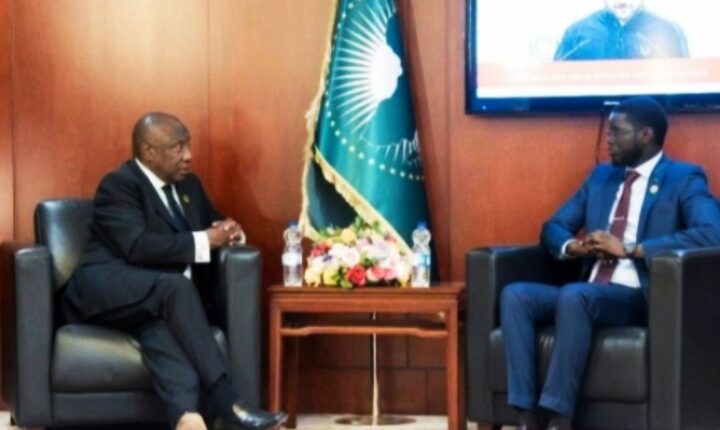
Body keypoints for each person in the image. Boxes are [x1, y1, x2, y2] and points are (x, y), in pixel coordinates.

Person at [499, 97, 720, 430]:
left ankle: (559, 419)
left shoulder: (683, 178)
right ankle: (526, 417)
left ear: (646, 134)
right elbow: (553, 226)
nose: (609, 139)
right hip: (589, 290)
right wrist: (576, 247)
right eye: (608, 132)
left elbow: (712, 233)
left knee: (575, 296)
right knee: (516, 295)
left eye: (617, 131)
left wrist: (631, 250)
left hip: (639, 294)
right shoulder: (601, 177)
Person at [62, 112, 287, 430]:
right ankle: (229, 403)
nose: (188, 156)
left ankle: (187, 417)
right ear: (149, 152)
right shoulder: (120, 185)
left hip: (153, 301)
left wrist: (231, 233)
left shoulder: (188, 186)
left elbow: (216, 225)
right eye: (177, 148)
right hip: (105, 287)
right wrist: (205, 240)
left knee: (159, 327)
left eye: (188, 145)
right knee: (175, 287)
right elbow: (137, 246)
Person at [554, 0, 689, 61]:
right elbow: (556, 89)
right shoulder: (577, 33)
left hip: (648, 111)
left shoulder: (668, 32)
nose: (622, 1)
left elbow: (683, 92)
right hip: (590, 110)